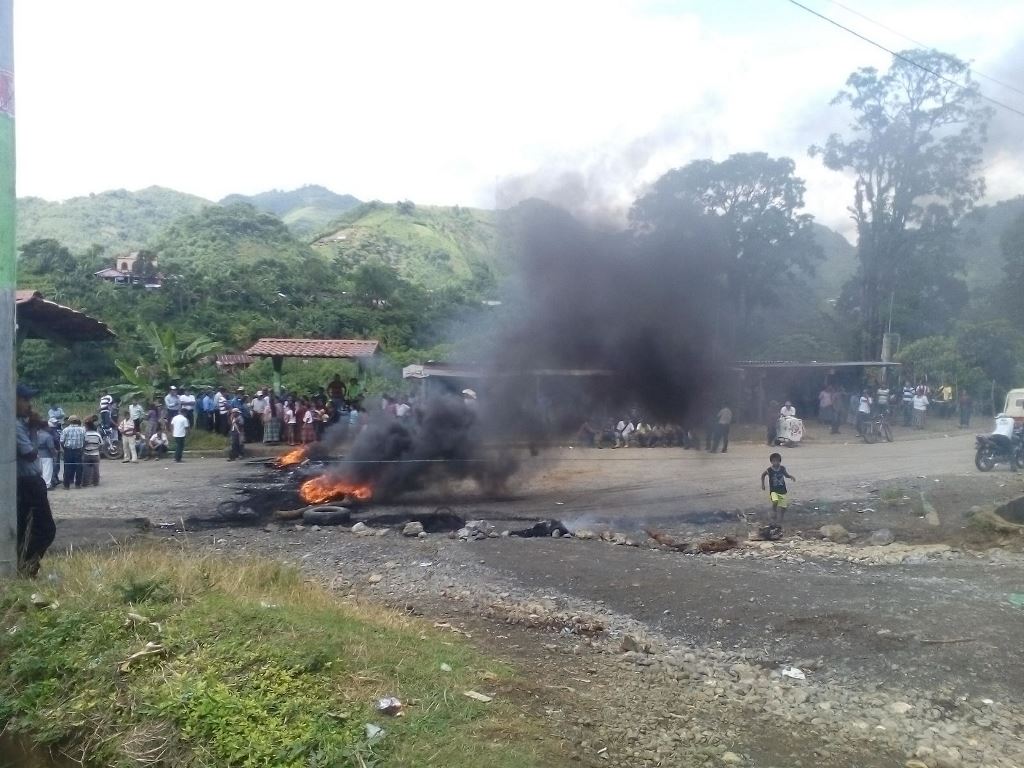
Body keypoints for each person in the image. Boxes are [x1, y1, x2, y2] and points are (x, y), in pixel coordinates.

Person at [15, 384, 56, 577]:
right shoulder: (15, 425)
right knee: (45, 529)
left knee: (25, 528)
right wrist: (33, 429)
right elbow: (30, 454)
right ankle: (27, 567)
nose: (28, 404)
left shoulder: (21, 423)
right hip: (27, 482)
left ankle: (25, 568)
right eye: (25, 400)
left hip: (29, 481)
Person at [760, 452, 796, 528]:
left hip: (782, 490)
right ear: (771, 462)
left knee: (784, 507)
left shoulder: (782, 468)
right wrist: (763, 484)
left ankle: (781, 518)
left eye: (777, 461)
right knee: (775, 501)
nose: (775, 463)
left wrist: (790, 476)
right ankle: (774, 511)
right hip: (773, 490)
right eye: (773, 461)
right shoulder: (769, 470)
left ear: (779, 461)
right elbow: (763, 475)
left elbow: (786, 475)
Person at [60, 415, 86, 489]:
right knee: (79, 468)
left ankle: (66, 485)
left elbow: (62, 441)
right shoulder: (82, 430)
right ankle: (77, 484)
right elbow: (85, 440)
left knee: (67, 468)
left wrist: (65, 449)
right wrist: (82, 448)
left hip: (68, 450)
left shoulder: (65, 430)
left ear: (69, 421)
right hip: (78, 450)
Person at [33, 414, 58, 491]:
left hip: (37, 454)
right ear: (45, 427)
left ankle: (39, 485)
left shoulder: (36, 434)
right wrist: (54, 454)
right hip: (47, 455)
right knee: (47, 471)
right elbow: (51, 447)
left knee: (40, 470)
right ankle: (47, 485)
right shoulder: (48, 436)